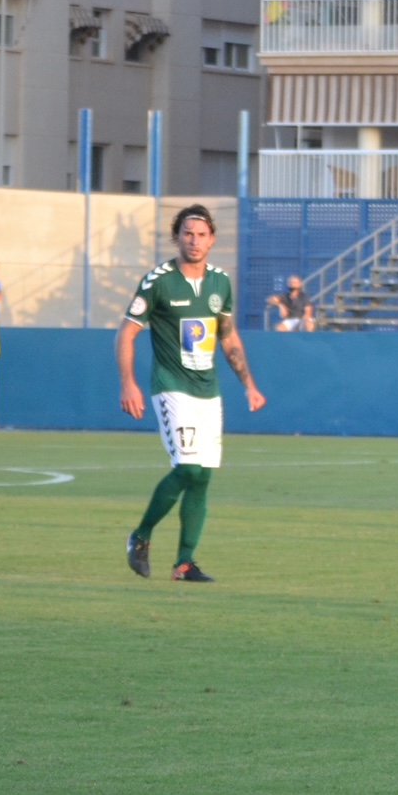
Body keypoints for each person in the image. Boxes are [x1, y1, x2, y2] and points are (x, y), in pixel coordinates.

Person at [119, 205, 265, 583]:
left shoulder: (220, 283)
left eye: (201, 234)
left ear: (212, 239)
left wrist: (248, 384)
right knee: (187, 468)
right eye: (187, 233)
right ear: (176, 237)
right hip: (171, 387)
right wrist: (128, 383)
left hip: (208, 391)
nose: (194, 240)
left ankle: (184, 564)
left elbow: (228, 336)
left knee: (202, 477)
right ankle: (141, 535)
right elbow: (127, 332)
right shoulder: (158, 281)